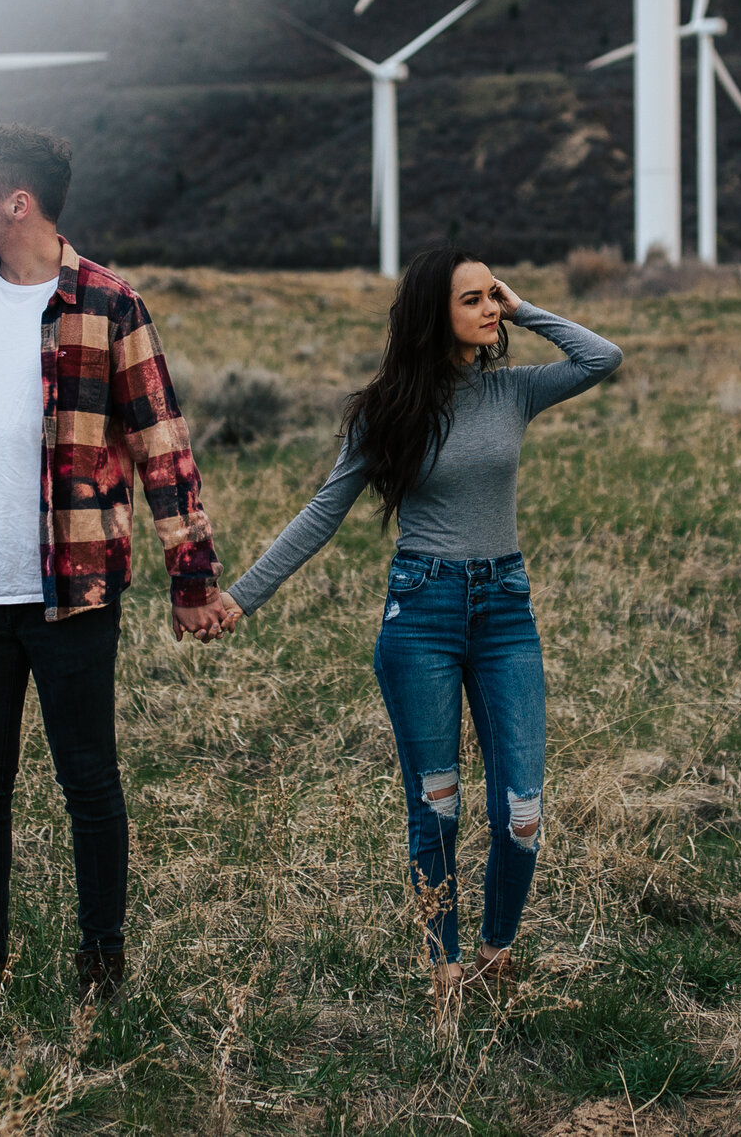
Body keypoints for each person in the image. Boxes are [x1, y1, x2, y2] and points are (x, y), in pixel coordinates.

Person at [0, 124, 241, 1011]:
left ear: (19, 204)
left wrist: (191, 575)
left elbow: (164, 444)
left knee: (88, 780)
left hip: (73, 591)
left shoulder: (108, 305)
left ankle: (102, 964)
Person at [211, 248, 619, 1001]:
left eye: (493, 296)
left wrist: (526, 308)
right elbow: (322, 511)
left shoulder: (512, 392)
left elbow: (602, 357)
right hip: (422, 612)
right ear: (436, 314)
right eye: (475, 299)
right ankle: (447, 963)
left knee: (520, 808)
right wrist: (242, 596)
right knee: (437, 805)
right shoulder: (387, 410)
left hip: (504, 609)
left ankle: (498, 947)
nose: (491, 310)